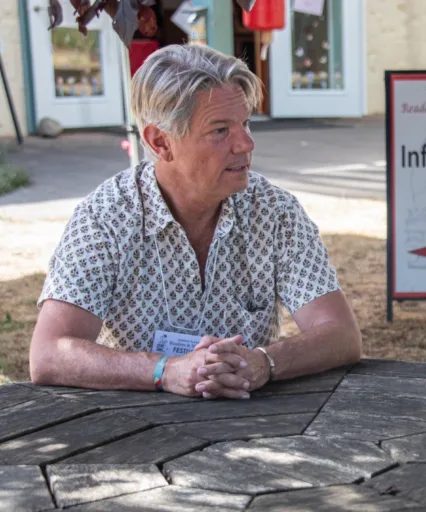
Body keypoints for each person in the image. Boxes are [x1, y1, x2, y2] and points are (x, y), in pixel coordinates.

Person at [29, 43, 362, 400]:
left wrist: (263, 363)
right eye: (220, 130)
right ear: (160, 142)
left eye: (245, 123)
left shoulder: (274, 211)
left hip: (261, 420)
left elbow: (341, 333)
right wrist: (166, 370)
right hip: (133, 429)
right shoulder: (106, 218)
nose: (246, 144)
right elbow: (49, 353)